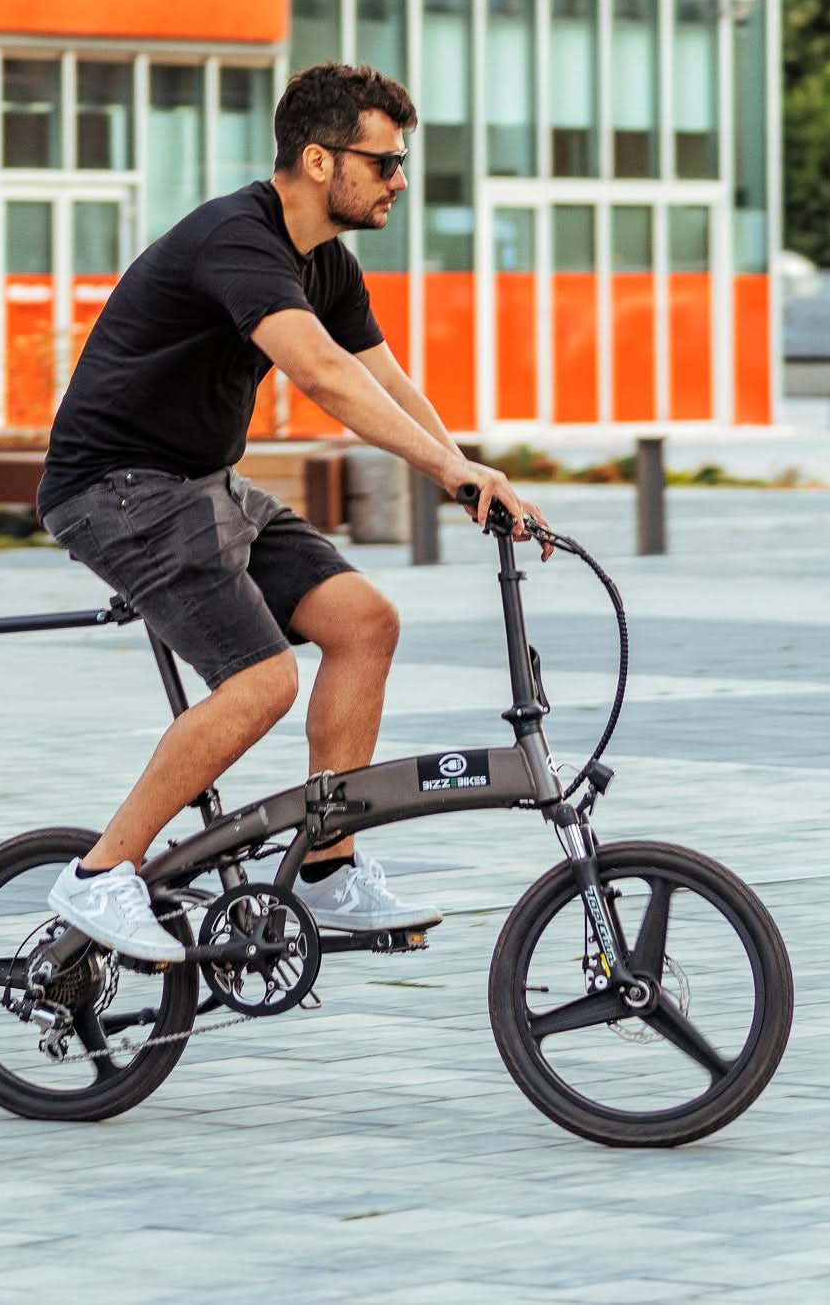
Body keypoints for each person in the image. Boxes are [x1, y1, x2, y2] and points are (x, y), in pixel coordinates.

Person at [34, 63, 548, 964]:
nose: (398, 181)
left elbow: (385, 376)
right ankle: (100, 875)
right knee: (262, 680)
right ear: (319, 160)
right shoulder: (238, 240)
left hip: (199, 483)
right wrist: (447, 470)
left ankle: (327, 865)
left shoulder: (326, 263)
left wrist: (465, 474)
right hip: (116, 488)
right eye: (384, 163)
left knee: (364, 622)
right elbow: (323, 376)